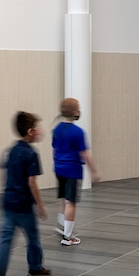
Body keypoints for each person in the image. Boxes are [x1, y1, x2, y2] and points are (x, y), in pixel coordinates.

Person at [0, 111, 51, 276]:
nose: (40, 131)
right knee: (33, 238)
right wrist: (40, 205)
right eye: (37, 128)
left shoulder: (11, 151)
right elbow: (32, 183)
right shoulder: (31, 154)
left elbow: (4, 173)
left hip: (8, 202)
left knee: (5, 240)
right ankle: (35, 268)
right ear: (31, 131)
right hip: (23, 205)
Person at [51, 97, 99, 247]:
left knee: (64, 198)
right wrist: (94, 171)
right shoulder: (78, 132)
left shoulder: (57, 129)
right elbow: (84, 153)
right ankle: (67, 236)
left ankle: (62, 225)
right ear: (75, 112)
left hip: (59, 168)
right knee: (71, 202)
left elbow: (54, 149)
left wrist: (58, 162)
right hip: (72, 170)